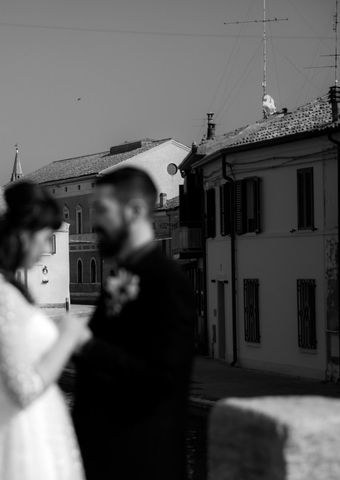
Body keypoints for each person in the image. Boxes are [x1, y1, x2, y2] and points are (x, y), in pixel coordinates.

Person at [0, 181, 89, 480]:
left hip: (16, 429)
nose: (46, 249)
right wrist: (67, 337)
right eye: (45, 238)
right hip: (22, 440)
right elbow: (23, 389)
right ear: (21, 235)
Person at [72, 167, 196, 480]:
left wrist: (86, 346)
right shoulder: (121, 276)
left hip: (144, 463)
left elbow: (160, 379)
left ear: (136, 210)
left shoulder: (168, 282)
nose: (94, 223)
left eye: (102, 211)